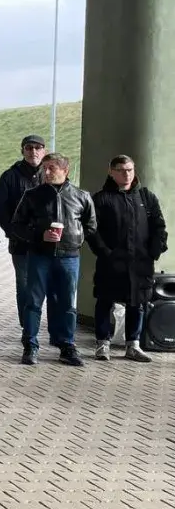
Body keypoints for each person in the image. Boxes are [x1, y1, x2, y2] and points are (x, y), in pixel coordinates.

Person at [11, 153, 96, 367]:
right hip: (39, 256)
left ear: (65, 170)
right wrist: (40, 235)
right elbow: (17, 225)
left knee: (67, 304)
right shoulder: (32, 195)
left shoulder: (81, 196)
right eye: (45, 168)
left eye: (52, 168)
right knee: (33, 302)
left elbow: (91, 226)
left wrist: (75, 237)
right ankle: (30, 345)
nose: (46, 172)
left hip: (69, 257)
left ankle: (66, 345)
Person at [88, 155, 167, 363]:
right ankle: (102, 344)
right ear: (111, 172)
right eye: (121, 170)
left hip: (140, 262)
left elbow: (159, 226)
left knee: (137, 303)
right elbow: (92, 230)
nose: (127, 174)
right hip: (111, 262)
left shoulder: (146, 197)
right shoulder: (101, 198)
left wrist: (154, 251)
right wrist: (105, 252)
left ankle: (133, 345)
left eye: (130, 170)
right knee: (105, 301)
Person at [0, 134, 46, 336]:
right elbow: (1, 211)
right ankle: (28, 327)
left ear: (44, 150)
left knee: (47, 286)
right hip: (21, 244)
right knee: (24, 286)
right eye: (28, 147)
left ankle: (48, 326)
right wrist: (15, 233)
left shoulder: (51, 173)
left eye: (37, 147)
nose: (33, 151)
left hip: (48, 243)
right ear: (22, 150)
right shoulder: (10, 176)